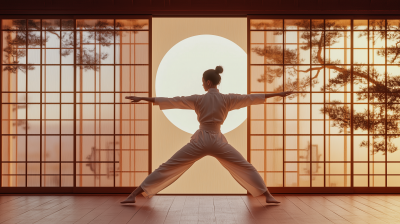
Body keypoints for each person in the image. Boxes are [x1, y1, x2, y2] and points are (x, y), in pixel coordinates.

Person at [121, 66, 292, 204]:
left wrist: (143, 98)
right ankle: (268, 195)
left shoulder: (198, 99)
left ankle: (133, 195)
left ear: (208, 82)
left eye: (203, 82)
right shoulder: (228, 99)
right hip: (218, 141)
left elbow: (172, 100)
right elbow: (251, 98)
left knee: (167, 166)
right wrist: (278, 94)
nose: (202, 84)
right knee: (246, 166)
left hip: (200, 140)